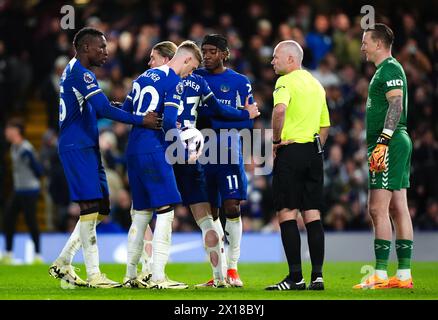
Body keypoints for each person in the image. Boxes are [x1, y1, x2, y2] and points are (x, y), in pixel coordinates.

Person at [135, 41, 260, 288]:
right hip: (195, 151)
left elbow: (162, 116)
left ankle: (149, 273)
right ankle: (219, 275)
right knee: (206, 218)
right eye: (199, 57)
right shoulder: (199, 80)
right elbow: (218, 109)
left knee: (149, 213)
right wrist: (247, 114)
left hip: (170, 148)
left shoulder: (163, 81)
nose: (200, 63)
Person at [48, 27, 161, 288]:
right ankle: (94, 274)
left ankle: (64, 261)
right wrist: (141, 120)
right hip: (77, 146)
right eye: (101, 47)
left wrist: (118, 110)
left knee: (101, 207)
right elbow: (101, 108)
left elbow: (95, 108)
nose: (106, 52)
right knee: (89, 209)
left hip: (85, 145)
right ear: (85, 47)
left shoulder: (75, 70)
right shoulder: (81, 73)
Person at [121, 40, 201, 289]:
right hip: (154, 150)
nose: (191, 73)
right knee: (166, 211)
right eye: (193, 67)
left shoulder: (143, 77)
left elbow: (126, 111)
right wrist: (184, 150)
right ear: (186, 59)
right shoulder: (174, 82)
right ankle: (158, 277)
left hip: (133, 149)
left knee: (142, 214)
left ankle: (130, 275)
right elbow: (167, 122)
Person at [265, 40, 330, 291]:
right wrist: (316, 148)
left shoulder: (285, 82)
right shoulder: (316, 84)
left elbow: (279, 111)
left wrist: (277, 141)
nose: (272, 61)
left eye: (275, 57)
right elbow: (325, 125)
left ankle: (295, 277)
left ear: (291, 59)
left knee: (286, 213)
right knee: (312, 214)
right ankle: (318, 276)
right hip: (314, 153)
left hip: (291, 152)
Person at [354, 23, 414, 289]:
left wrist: (383, 141)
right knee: (398, 205)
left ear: (378, 44)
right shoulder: (386, 70)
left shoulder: (389, 68)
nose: (362, 46)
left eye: (365, 42)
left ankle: (379, 273)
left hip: (389, 143)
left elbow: (396, 104)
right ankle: (402, 275)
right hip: (394, 142)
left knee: (377, 208)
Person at [194, 34, 255, 287]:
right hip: (201, 153)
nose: (206, 55)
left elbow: (248, 121)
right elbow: (195, 118)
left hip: (229, 152)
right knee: (210, 213)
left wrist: (214, 119)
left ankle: (233, 269)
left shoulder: (240, 82)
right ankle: (217, 273)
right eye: (203, 51)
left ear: (224, 54)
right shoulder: (195, 79)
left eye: (211, 51)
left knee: (232, 207)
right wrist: (231, 117)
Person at [1, 118, 43, 265]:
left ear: (16, 131)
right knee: (8, 219)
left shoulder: (26, 149)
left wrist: (31, 161)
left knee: (31, 222)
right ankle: (8, 253)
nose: (6, 132)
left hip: (30, 191)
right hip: (19, 190)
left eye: (8, 129)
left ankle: (38, 255)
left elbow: (39, 171)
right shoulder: (13, 147)